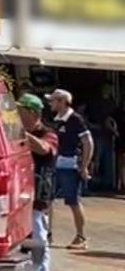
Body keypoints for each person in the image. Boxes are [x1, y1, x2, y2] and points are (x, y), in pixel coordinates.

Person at [17, 93, 57, 271]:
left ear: (33, 113)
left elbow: (44, 148)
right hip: (18, 193)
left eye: (22, 112)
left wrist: (22, 133)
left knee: (39, 238)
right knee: (20, 240)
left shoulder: (48, 133)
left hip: (38, 194)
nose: (18, 115)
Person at [48, 88, 94, 249]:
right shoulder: (56, 119)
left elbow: (88, 143)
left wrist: (84, 166)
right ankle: (48, 234)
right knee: (47, 199)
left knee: (73, 201)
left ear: (62, 102)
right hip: (54, 164)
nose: (50, 103)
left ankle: (81, 237)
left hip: (69, 165)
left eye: (53, 100)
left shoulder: (75, 119)